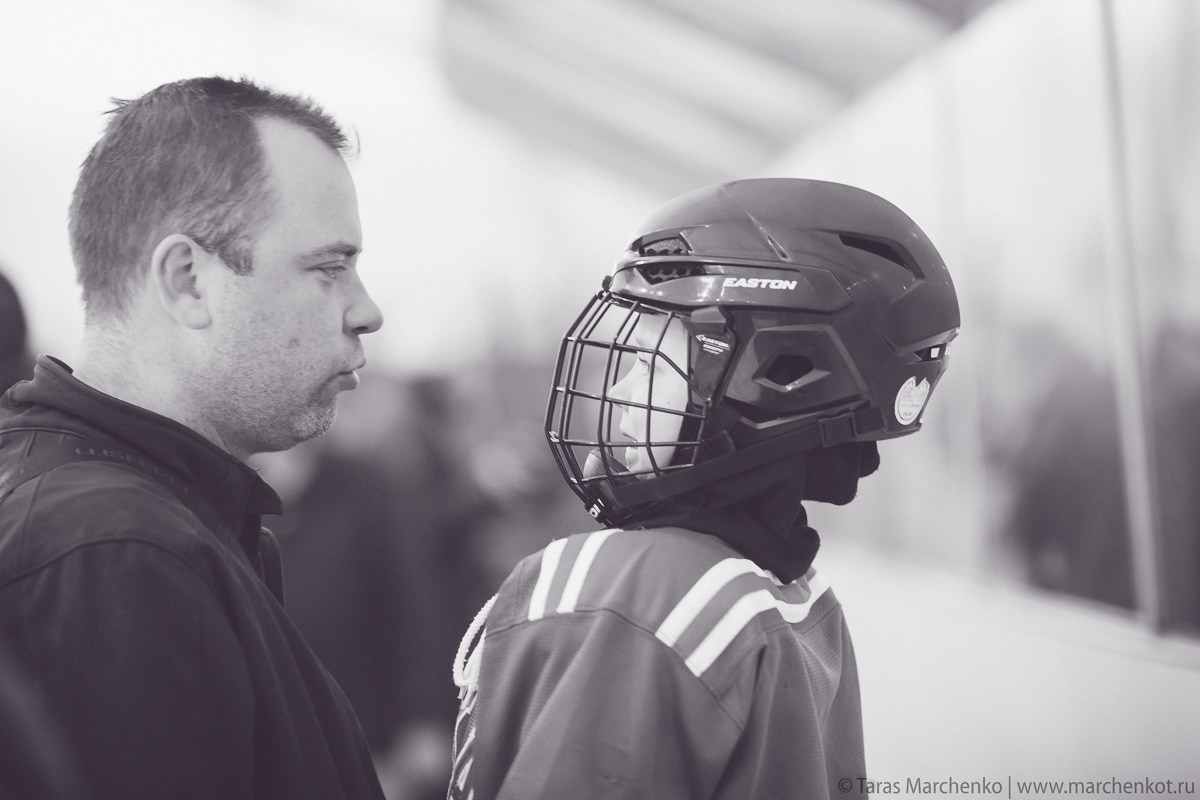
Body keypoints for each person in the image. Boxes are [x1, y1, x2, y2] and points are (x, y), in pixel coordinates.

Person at [448, 178, 960, 799]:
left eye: (650, 359)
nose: (619, 389)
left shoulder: (637, 593)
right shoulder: (798, 596)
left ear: (778, 369)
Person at [0, 77, 386, 800]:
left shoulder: (142, 523)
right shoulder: (111, 551)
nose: (367, 312)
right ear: (188, 281)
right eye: (329, 267)